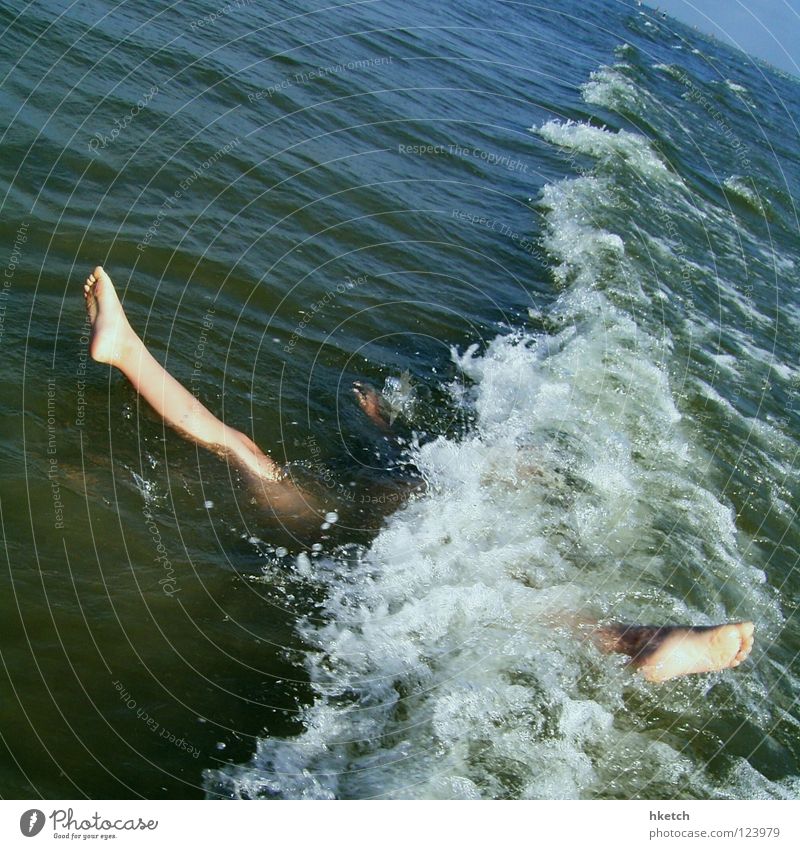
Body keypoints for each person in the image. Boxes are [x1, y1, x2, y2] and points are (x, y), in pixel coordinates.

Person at [82, 265, 755, 683]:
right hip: (463, 537)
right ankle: (650, 640)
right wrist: (388, 428)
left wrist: (387, 430)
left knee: (242, 451)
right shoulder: (511, 500)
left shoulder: (413, 491)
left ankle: (126, 350)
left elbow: (420, 473)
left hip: (402, 525)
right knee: (546, 609)